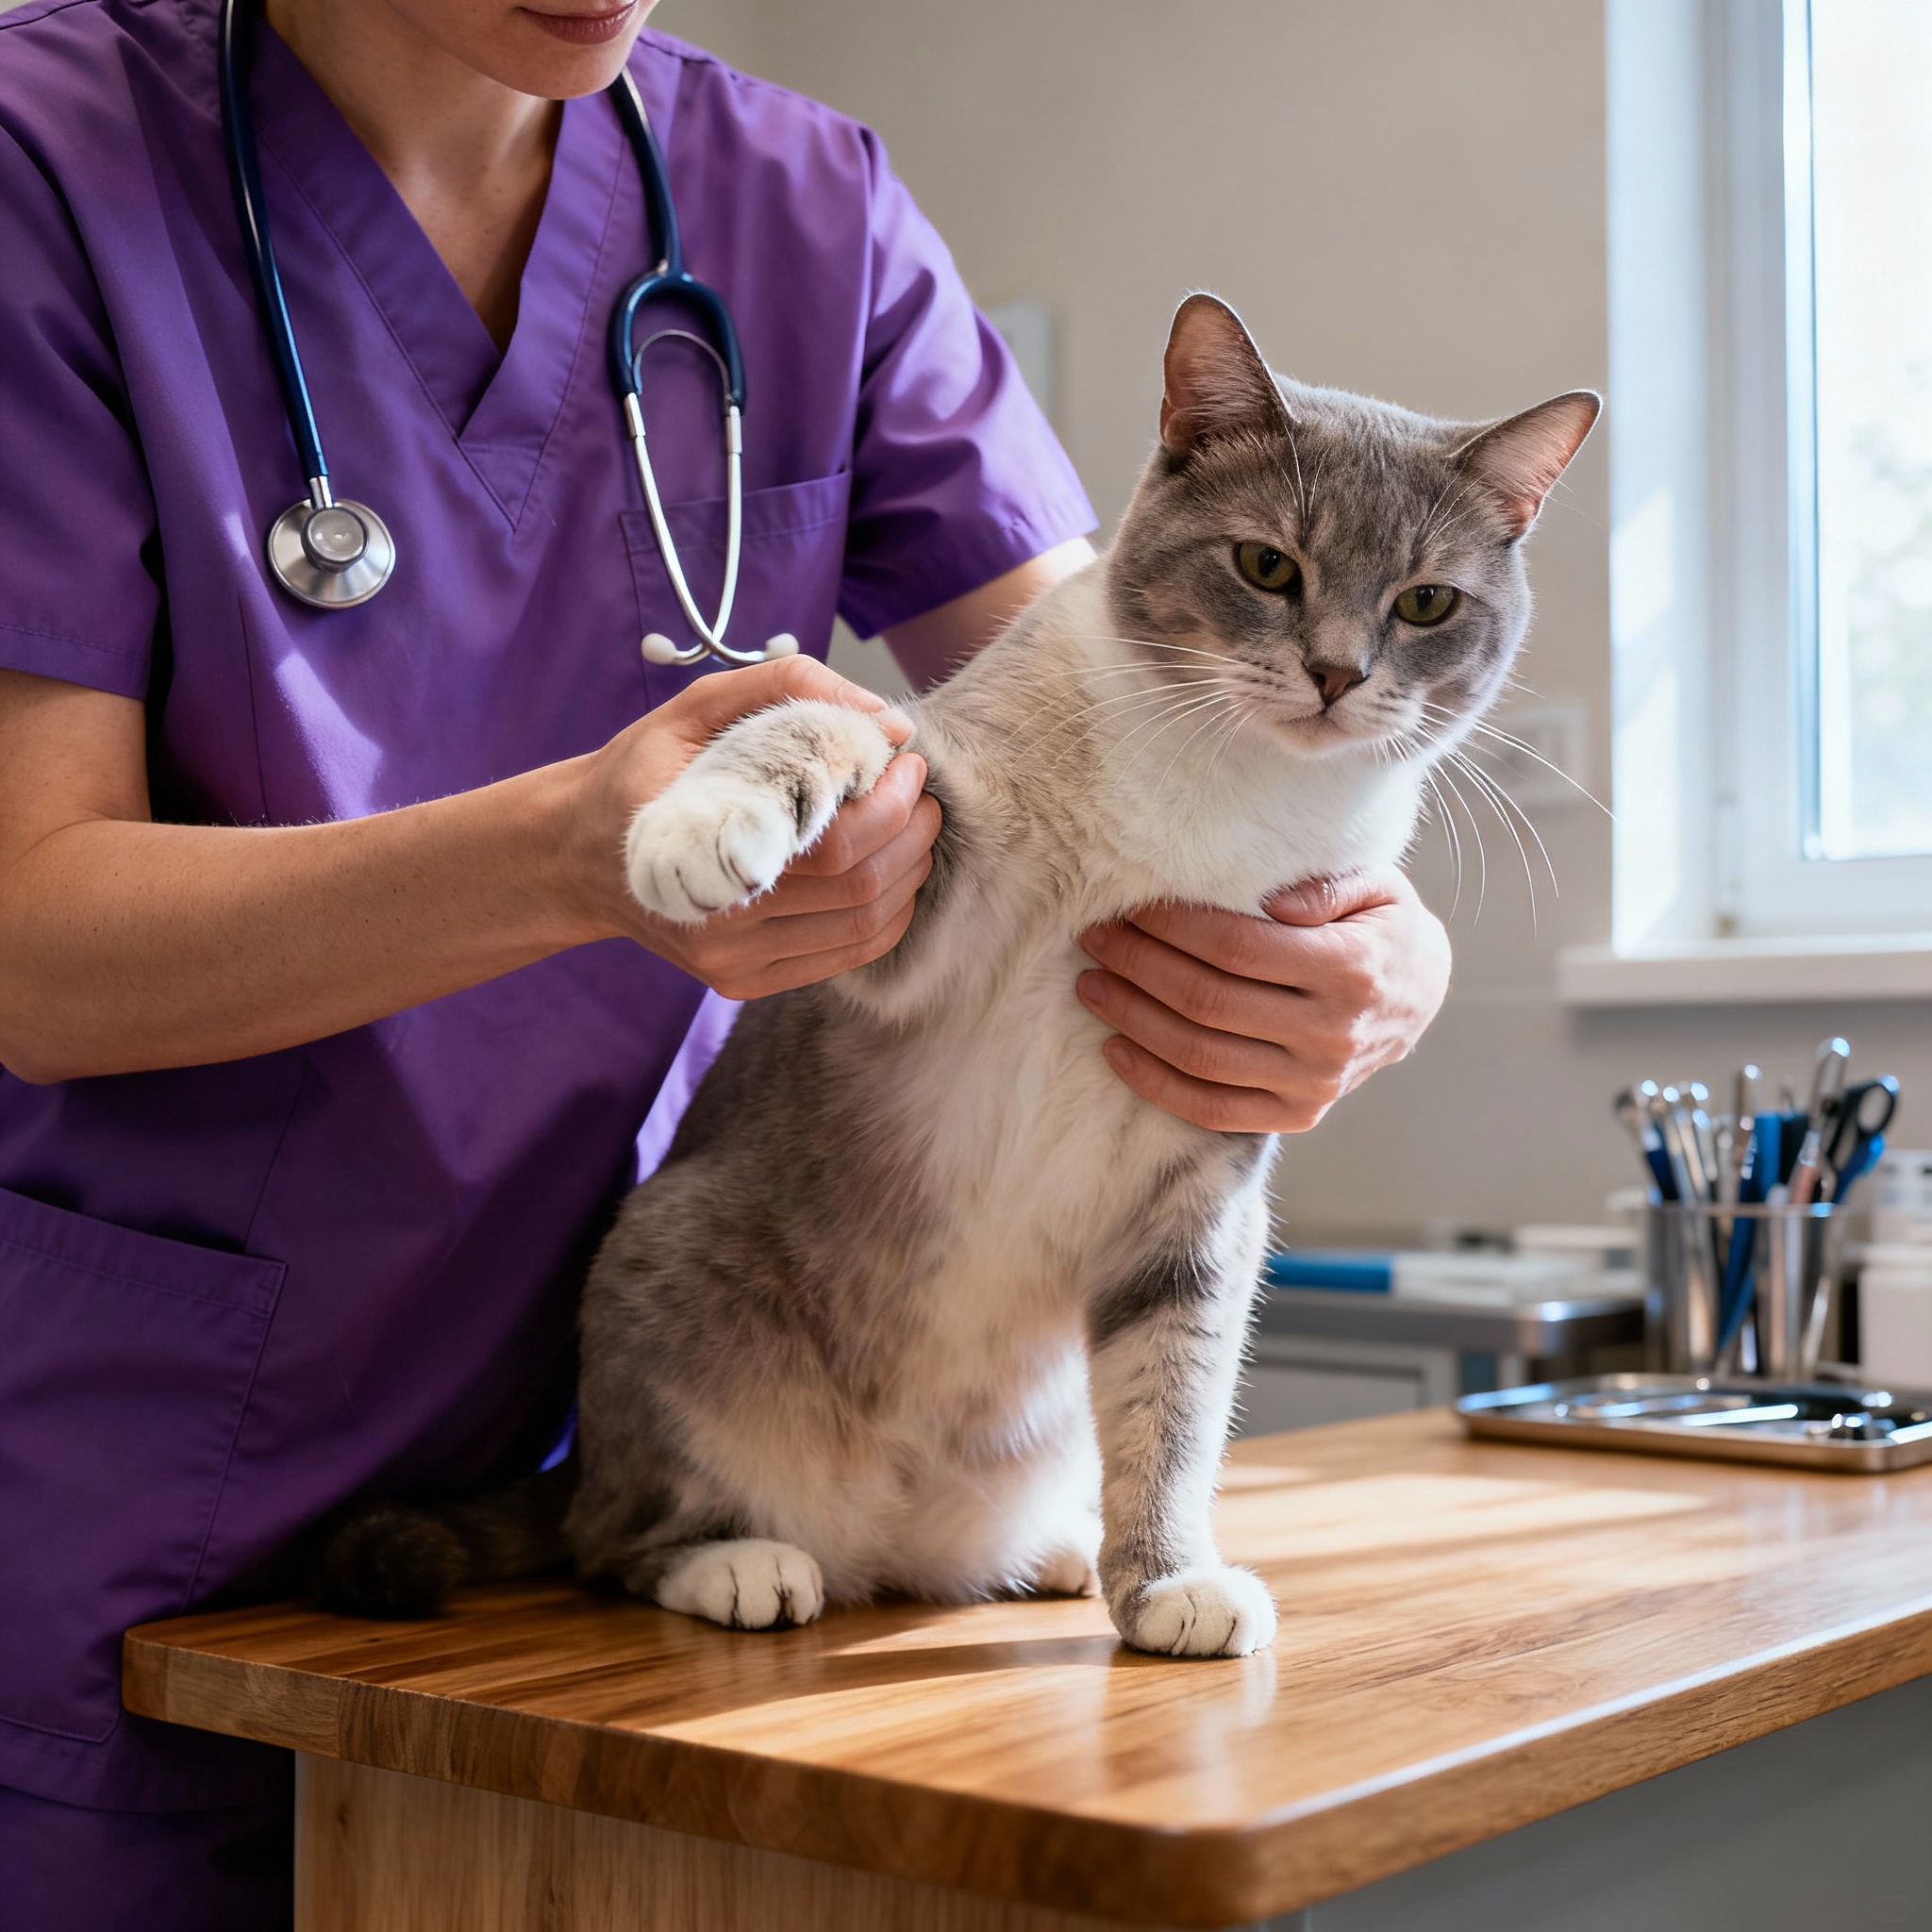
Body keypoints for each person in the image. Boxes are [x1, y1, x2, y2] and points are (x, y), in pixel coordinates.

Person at [0, 0, 1454, 1921]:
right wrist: (564, 860)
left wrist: (1373, 955)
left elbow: (1125, 742)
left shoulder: (798, 206)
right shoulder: (51, 156)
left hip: (659, 1458)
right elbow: (34, 942)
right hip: (137, 1478)